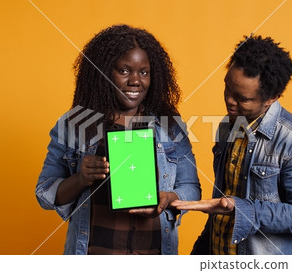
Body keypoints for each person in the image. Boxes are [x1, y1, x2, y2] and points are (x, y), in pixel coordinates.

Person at [36, 24, 201, 255]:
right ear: (103, 72)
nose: (135, 80)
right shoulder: (74, 124)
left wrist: (169, 198)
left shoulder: (169, 125)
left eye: (143, 72)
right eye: (124, 71)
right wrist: (81, 179)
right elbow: (44, 194)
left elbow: (191, 188)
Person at [172, 35, 292, 255]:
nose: (230, 101)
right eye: (227, 89)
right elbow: (223, 198)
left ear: (272, 97)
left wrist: (241, 209)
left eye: (242, 98)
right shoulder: (228, 125)